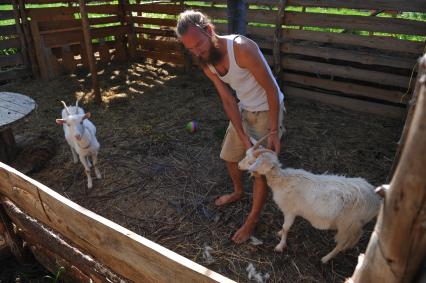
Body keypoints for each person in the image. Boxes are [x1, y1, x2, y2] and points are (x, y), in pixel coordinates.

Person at [176, 10, 285, 244]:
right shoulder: (206, 61)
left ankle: (252, 220)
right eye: (190, 49)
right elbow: (227, 100)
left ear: (210, 31)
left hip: (268, 108)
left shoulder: (241, 49)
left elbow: (271, 90)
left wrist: (274, 130)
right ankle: (237, 191)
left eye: (198, 45)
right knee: (229, 156)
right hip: (244, 109)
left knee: (259, 171)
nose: (196, 52)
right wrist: (243, 136)